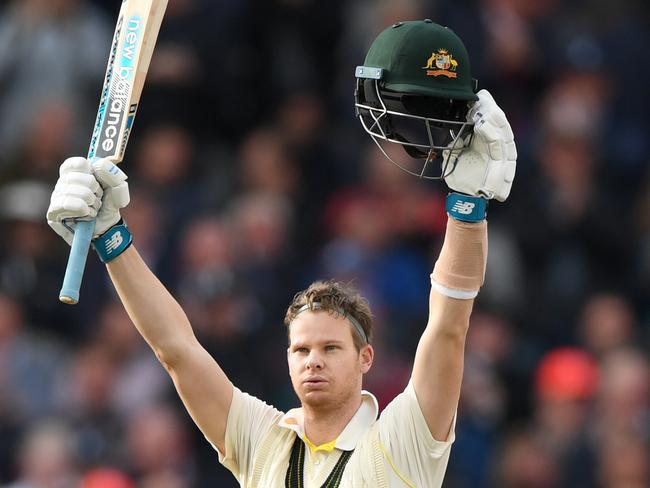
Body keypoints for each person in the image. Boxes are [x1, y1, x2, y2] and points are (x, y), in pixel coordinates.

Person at [46, 20, 516, 487]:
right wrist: (113, 239)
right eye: (302, 349)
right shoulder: (264, 442)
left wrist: (467, 210)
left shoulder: (402, 444)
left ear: (366, 358)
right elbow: (177, 350)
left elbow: (449, 328)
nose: (313, 361)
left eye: (331, 348)